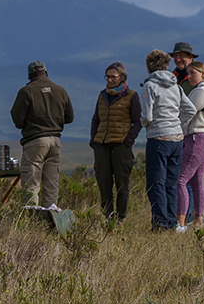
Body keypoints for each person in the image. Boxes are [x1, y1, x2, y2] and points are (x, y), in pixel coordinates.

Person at [10, 61, 74, 209]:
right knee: (51, 184)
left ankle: (31, 221)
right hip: (55, 142)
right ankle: (49, 220)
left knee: (31, 183)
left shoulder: (26, 91)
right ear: (46, 73)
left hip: (35, 142)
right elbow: (69, 117)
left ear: (30, 75)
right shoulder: (61, 90)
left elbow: (17, 119)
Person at [139, 50, 186, 230]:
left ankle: (160, 223)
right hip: (177, 138)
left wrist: (146, 123)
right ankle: (171, 221)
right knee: (170, 183)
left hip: (158, 137)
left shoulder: (150, 86)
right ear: (167, 65)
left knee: (155, 182)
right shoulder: (176, 86)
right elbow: (189, 109)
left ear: (149, 66)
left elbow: (147, 115)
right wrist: (178, 123)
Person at [88, 64, 141, 221]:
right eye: (107, 76)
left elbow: (138, 121)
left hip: (120, 145)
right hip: (101, 144)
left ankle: (121, 217)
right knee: (104, 184)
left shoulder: (132, 96)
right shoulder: (102, 95)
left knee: (121, 184)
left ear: (122, 78)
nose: (110, 80)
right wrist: (94, 140)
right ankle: (108, 217)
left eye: (113, 77)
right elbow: (96, 119)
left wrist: (128, 140)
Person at [175, 62, 204, 231]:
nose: (189, 76)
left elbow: (187, 112)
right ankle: (199, 221)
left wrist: (177, 130)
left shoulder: (201, 91)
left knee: (180, 180)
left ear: (203, 74)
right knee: (197, 182)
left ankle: (180, 222)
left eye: (193, 73)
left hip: (196, 139)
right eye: (188, 73)